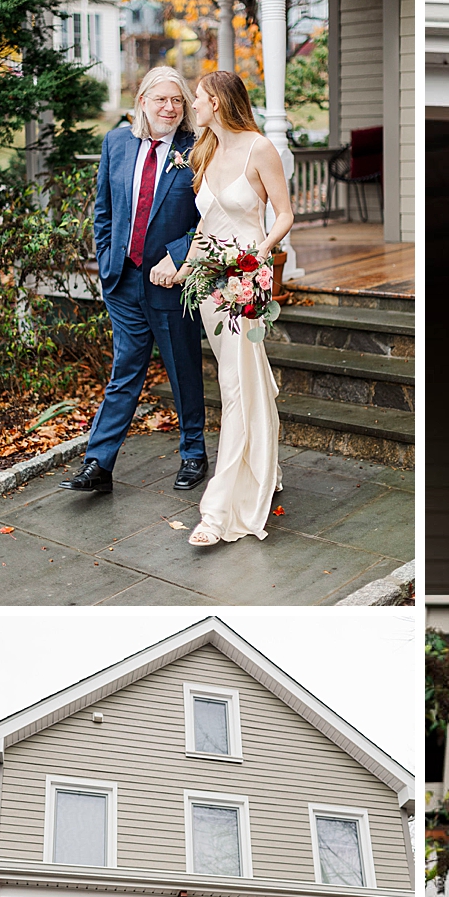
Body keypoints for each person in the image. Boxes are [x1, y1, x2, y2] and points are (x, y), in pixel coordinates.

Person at [149, 69, 291, 547]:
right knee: (240, 379)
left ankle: (219, 510)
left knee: (234, 386)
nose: (194, 105)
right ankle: (263, 466)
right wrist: (182, 268)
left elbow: (285, 214)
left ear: (220, 102)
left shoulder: (260, 149)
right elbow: (206, 224)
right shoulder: (204, 149)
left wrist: (257, 256)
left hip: (246, 280)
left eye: (200, 98)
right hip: (210, 282)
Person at [69, 68, 208, 498]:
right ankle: (99, 463)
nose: (170, 108)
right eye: (161, 99)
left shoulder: (198, 148)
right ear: (142, 100)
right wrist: (106, 259)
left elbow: (213, 218)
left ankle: (193, 454)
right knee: (124, 371)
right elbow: (104, 210)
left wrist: (179, 257)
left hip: (170, 281)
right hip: (122, 280)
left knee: (183, 368)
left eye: (178, 101)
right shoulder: (116, 142)